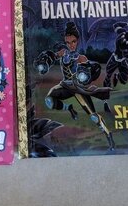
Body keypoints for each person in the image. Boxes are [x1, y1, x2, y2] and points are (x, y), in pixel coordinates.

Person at [35, 21, 115, 149]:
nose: (71, 45)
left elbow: (90, 71)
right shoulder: (63, 53)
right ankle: (69, 108)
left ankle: (108, 135)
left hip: (78, 88)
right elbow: (52, 56)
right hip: (65, 86)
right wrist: (46, 60)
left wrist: (88, 71)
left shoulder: (81, 58)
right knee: (49, 100)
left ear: (77, 41)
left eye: (73, 42)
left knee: (93, 117)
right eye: (68, 42)